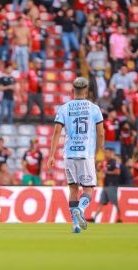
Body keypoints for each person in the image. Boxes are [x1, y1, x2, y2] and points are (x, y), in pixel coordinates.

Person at [48, 77, 105, 233]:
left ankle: (74, 225)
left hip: (69, 154)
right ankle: (81, 209)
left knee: (73, 189)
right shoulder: (94, 109)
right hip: (86, 154)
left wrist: (51, 155)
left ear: (72, 90)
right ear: (86, 91)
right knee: (88, 188)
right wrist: (97, 151)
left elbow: (56, 133)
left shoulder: (64, 108)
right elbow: (100, 133)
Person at [93, 148, 122, 223]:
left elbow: (117, 172)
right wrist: (98, 166)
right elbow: (99, 169)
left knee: (115, 202)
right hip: (105, 185)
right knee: (101, 202)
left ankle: (120, 218)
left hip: (112, 185)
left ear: (111, 153)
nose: (106, 154)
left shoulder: (114, 162)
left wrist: (107, 171)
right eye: (105, 153)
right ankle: (94, 218)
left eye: (107, 153)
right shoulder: (106, 162)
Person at [24, 58, 45, 123]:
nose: (40, 65)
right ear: (35, 64)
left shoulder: (41, 73)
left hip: (39, 93)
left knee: (42, 109)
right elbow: (25, 81)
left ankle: (43, 123)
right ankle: (26, 123)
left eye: (41, 64)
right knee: (29, 109)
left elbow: (43, 83)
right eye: (39, 63)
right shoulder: (30, 72)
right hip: (31, 93)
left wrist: (42, 84)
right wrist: (26, 90)